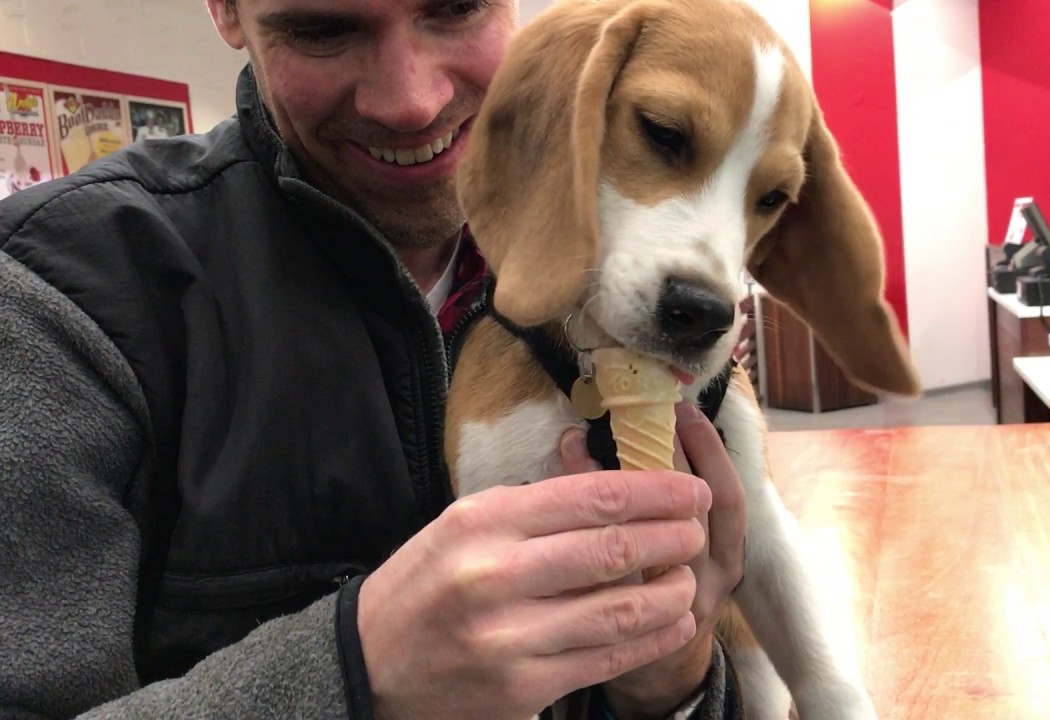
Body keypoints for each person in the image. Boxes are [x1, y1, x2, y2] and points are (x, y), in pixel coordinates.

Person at [0, 1, 748, 718]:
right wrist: (358, 675)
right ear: (224, 11)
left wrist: (668, 686)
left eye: (456, 7)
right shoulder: (65, 293)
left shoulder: (642, 285)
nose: (411, 103)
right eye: (323, 30)